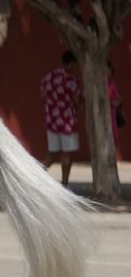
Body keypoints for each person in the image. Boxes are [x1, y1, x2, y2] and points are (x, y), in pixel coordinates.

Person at [40, 53, 83, 185]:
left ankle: (37, 175)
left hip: (52, 120)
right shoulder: (70, 80)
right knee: (67, 154)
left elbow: (42, 94)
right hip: (67, 122)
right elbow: (76, 100)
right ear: (70, 64)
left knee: (52, 153)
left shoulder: (49, 77)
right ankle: (64, 183)